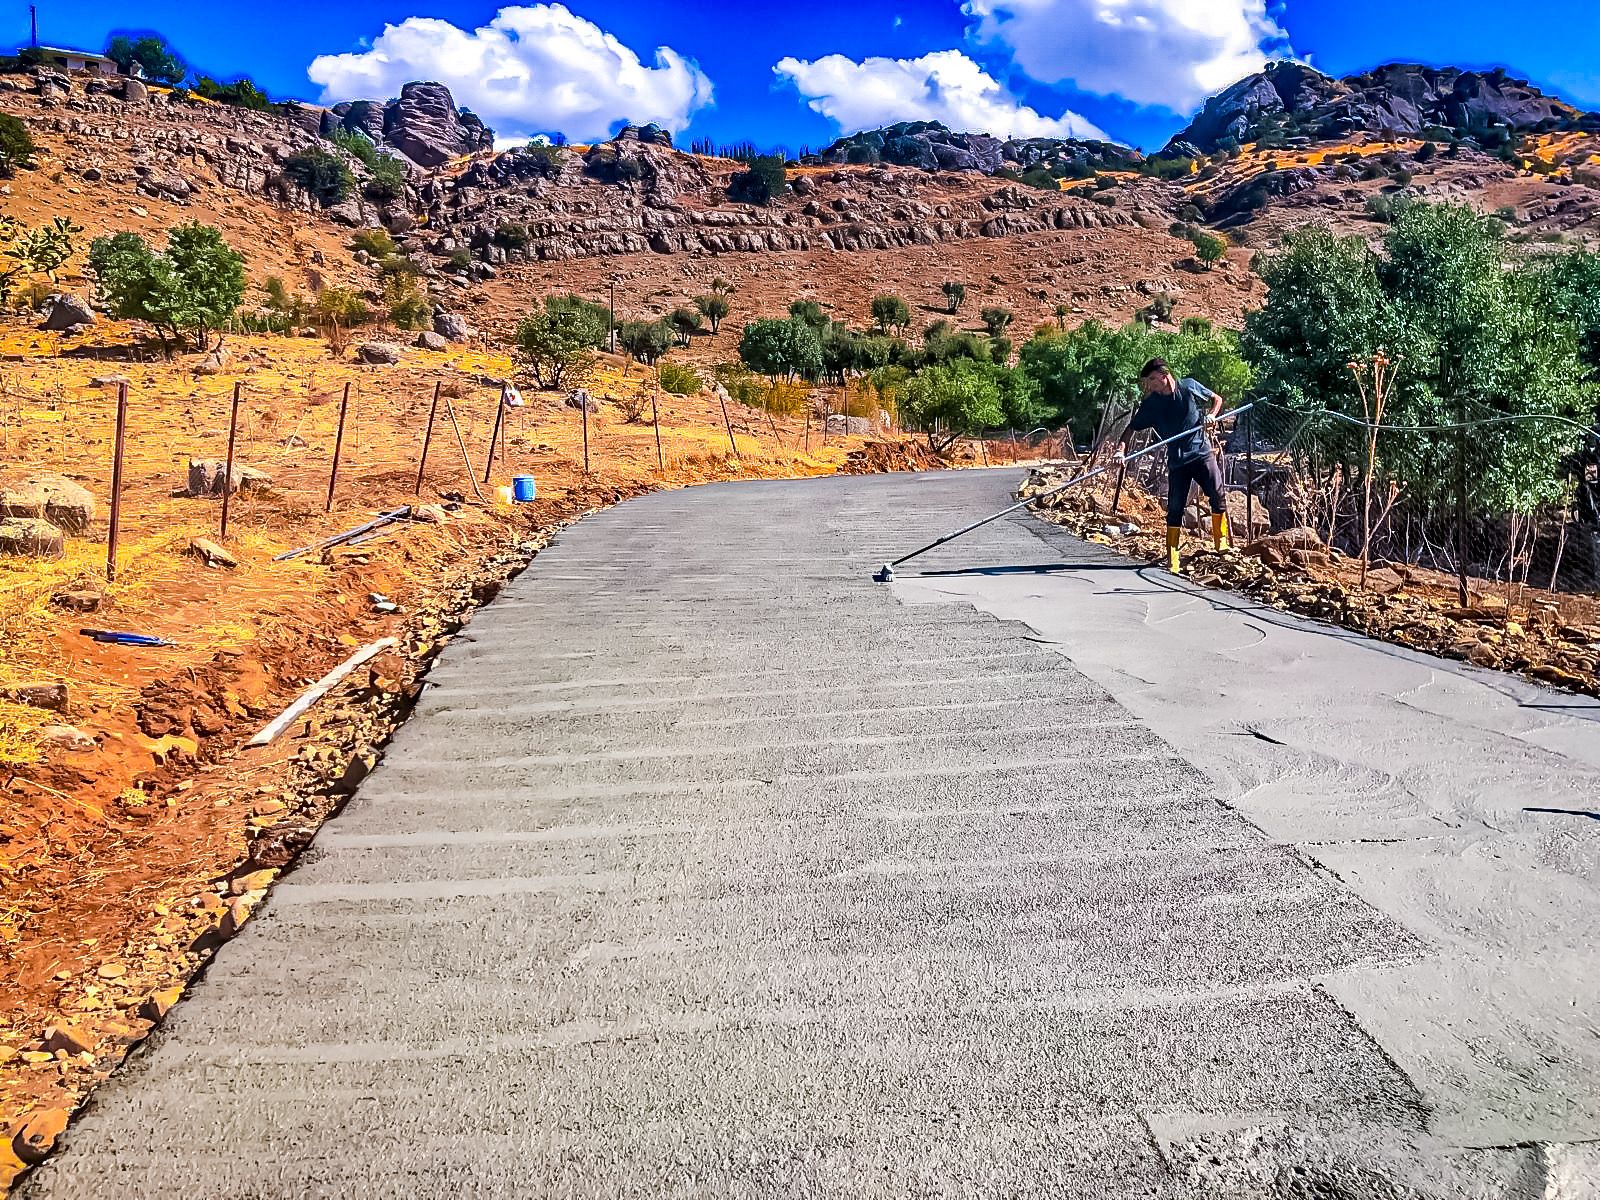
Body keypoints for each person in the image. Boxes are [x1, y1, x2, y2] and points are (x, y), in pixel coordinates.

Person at [1115, 358, 1230, 574]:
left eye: (1151, 379)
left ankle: (1221, 542)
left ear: (1164, 376)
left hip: (1201, 453)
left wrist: (1211, 416)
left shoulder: (1189, 387)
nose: (1149, 385)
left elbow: (1217, 399)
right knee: (1175, 507)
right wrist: (1120, 451)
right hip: (1178, 461)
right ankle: (1173, 556)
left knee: (1217, 494)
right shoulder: (1152, 404)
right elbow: (1131, 429)